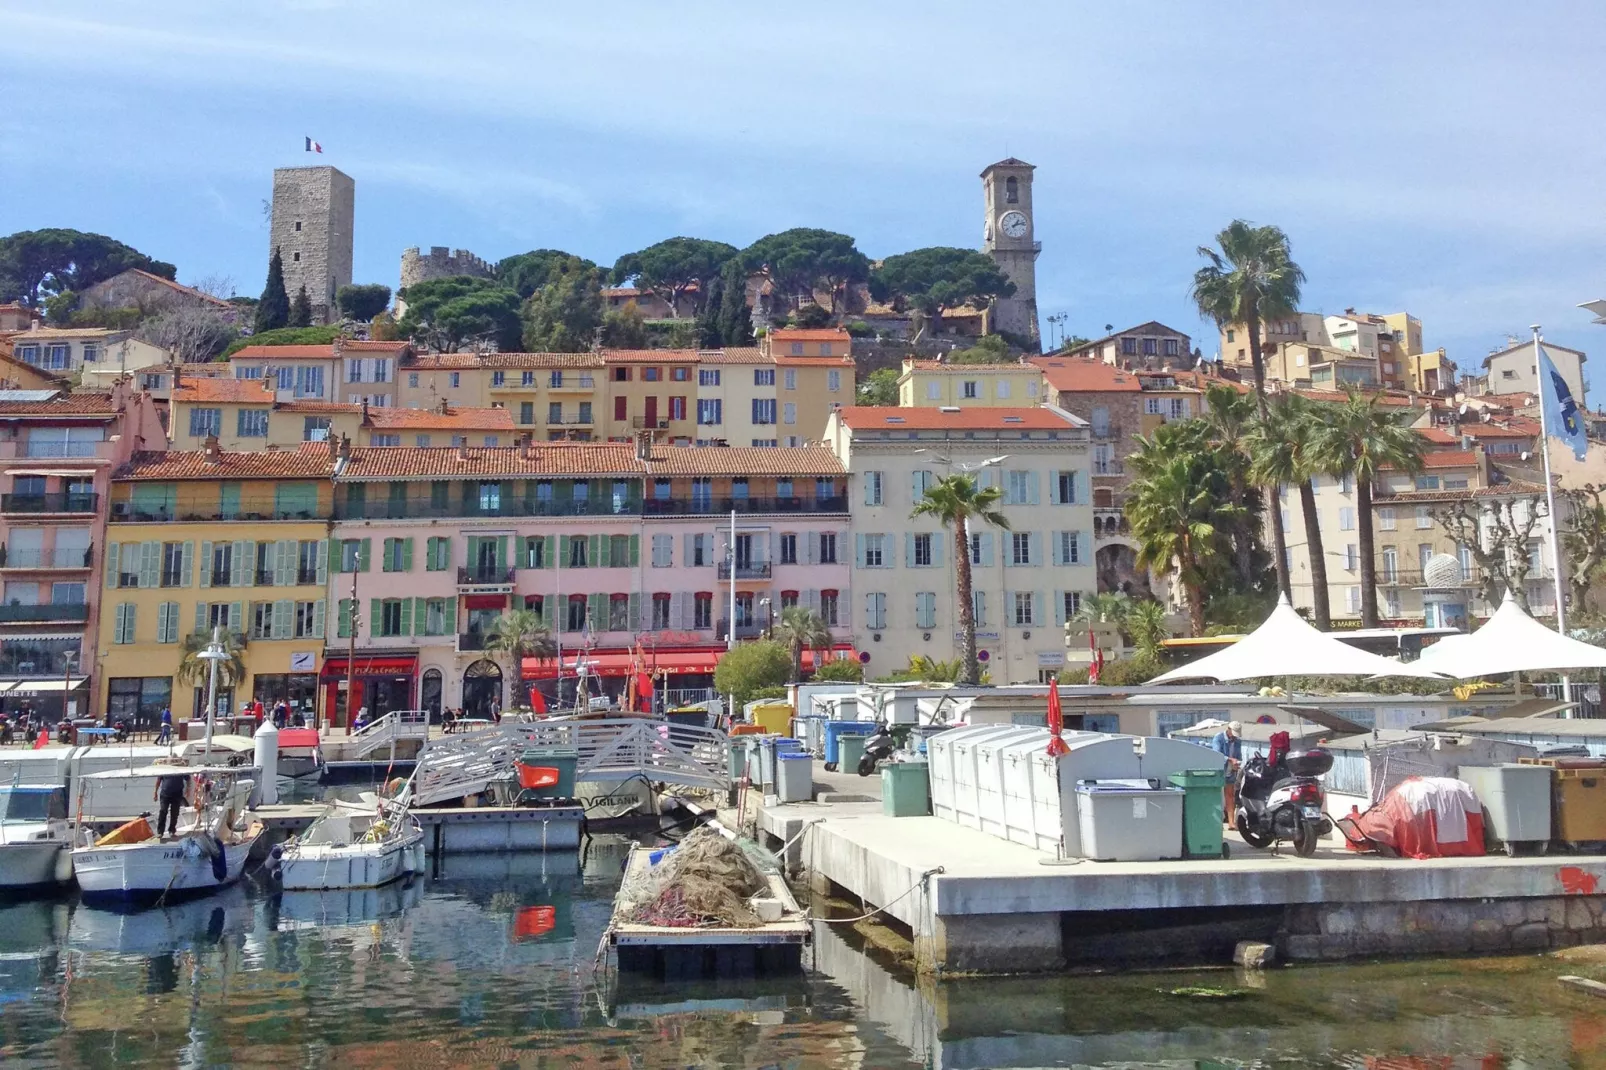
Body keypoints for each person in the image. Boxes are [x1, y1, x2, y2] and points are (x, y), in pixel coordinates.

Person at [153, 771, 189, 838]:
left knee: (175, 813)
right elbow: (158, 780)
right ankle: (160, 832)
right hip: (165, 794)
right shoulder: (165, 769)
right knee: (163, 811)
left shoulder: (180, 769)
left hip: (177, 794)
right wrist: (155, 793)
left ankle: (172, 830)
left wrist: (188, 790)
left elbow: (188, 779)